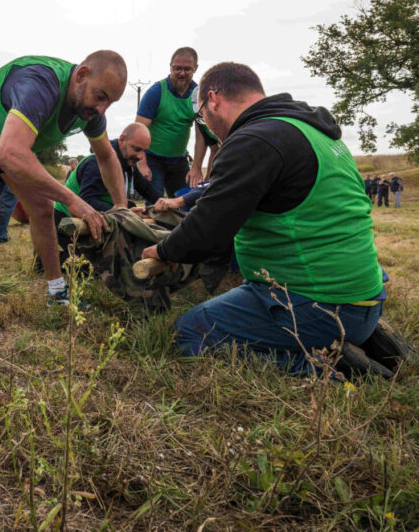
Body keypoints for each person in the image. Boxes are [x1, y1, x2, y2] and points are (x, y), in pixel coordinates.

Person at [140, 62, 385, 376]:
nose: (207, 125)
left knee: (189, 334)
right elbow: (223, 194)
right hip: (364, 295)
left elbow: (208, 231)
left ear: (212, 99)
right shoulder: (310, 131)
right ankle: (354, 341)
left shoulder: (253, 139)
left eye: (202, 115)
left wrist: (162, 251)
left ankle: (328, 367)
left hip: (323, 306)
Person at [0, 51, 129, 331]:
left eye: (111, 103)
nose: (102, 109)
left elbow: (106, 157)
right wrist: (72, 199)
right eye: (100, 96)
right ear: (81, 76)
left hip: (6, 139)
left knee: (42, 209)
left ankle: (56, 293)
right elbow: (11, 153)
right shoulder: (39, 84)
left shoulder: (91, 112)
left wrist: (121, 206)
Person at [136, 47, 218, 198]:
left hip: (179, 160)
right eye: (177, 68)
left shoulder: (198, 95)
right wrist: (141, 163)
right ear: (170, 67)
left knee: (184, 202)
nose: (181, 73)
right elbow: (138, 130)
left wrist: (196, 167)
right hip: (153, 158)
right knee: (155, 203)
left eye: (187, 69)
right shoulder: (156, 92)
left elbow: (201, 136)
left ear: (196, 68)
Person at [53, 123, 159, 221]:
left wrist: (163, 202)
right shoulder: (96, 163)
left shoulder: (129, 165)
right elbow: (87, 201)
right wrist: (124, 213)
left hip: (95, 218)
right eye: (137, 149)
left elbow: (146, 189)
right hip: (67, 221)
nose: (141, 157)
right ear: (122, 140)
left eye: (144, 151)